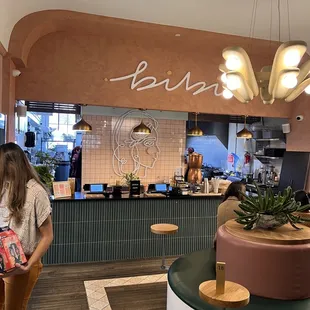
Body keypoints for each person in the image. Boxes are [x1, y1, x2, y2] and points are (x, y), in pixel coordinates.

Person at [0, 143, 53, 309]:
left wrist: (28, 266)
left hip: (21, 262)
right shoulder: (3, 186)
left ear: (12, 165)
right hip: (2, 258)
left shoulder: (36, 192)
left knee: (14, 307)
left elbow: (47, 235)